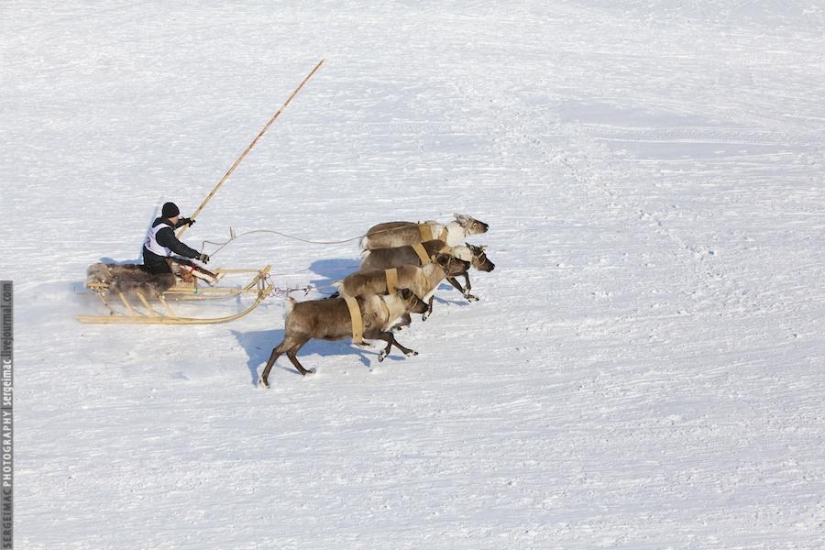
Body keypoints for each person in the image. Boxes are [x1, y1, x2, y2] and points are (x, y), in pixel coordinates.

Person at [142, 202, 220, 285]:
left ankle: (207, 277)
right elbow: (178, 247)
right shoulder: (165, 232)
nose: (178, 218)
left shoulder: (159, 221)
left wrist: (184, 221)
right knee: (187, 267)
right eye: (177, 216)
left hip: (151, 258)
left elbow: (172, 224)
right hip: (158, 264)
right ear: (171, 216)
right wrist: (197, 255)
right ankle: (210, 280)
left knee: (185, 262)